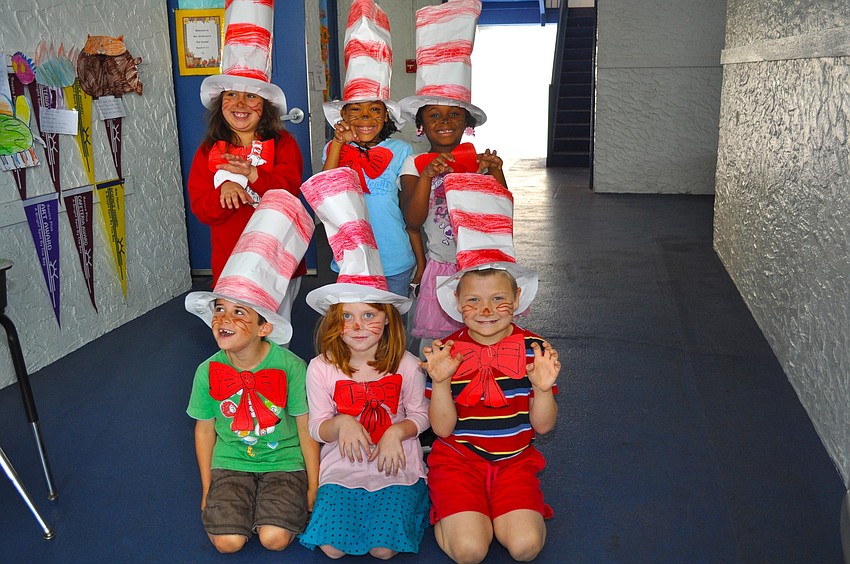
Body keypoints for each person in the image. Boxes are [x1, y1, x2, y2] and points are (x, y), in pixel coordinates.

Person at [421, 173, 560, 563]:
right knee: (470, 552)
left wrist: (544, 388)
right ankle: (451, 507)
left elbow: (544, 426)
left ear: (517, 300)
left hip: (514, 460)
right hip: (458, 459)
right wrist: (442, 382)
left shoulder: (534, 349)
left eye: (498, 298)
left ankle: (496, 508)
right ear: (458, 304)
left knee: (525, 548)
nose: (485, 311)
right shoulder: (446, 352)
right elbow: (444, 430)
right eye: (474, 301)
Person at [298, 168, 431, 559]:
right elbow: (319, 427)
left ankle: (418, 498)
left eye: (369, 316)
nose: (358, 326)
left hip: (396, 459)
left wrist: (396, 432)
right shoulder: (320, 367)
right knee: (332, 548)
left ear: (388, 320)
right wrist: (342, 422)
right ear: (333, 323)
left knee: (383, 549)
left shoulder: (406, 364)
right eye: (347, 317)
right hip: (344, 464)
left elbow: (420, 415)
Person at [185, 189, 320, 554]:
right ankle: (241, 507)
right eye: (219, 309)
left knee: (274, 540)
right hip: (230, 463)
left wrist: (312, 485)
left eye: (239, 312)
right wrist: (207, 486)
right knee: (228, 543)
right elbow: (205, 428)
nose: (223, 319)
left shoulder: (291, 366)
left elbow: (306, 428)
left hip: (284, 461)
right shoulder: (207, 370)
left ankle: (275, 509)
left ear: (265, 328)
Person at [187, 0, 305, 329]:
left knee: (272, 327)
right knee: (236, 330)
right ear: (219, 104)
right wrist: (224, 189)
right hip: (230, 259)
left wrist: (253, 174)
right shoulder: (209, 150)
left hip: (277, 258)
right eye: (231, 95)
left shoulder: (284, 144)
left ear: (265, 106)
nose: (240, 103)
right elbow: (201, 207)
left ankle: (275, 377)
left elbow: (289, 194)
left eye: (251, 96)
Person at [398, 0, 507, 354]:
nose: (444, 122)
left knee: (481, 340)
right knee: (438, 347)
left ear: (467, 123)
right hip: (442, 269)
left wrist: (497, 173)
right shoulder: (414, 165)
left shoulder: (479, 162)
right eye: (434, 116)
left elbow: (503, 217)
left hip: (482, 268)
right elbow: (413, 221)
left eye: (453, 115)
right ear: (421, 124)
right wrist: (429, 175)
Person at [321, 0, 418, 298]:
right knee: (355, 326)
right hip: (350, 257)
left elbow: (410, 211)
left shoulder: (401, 151)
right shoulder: (333, 148)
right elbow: (326, 190)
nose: (365, 117)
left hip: (394, 257)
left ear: (386, 116)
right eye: (356, 110)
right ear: (343, 116)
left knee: (392, 330)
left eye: (375, 110)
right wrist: (339, 143)